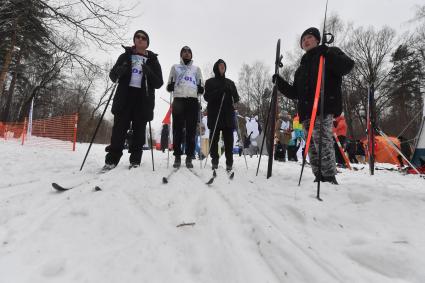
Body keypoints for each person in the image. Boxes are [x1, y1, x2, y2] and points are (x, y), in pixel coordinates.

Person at [273, 27, 354, 184]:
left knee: (322, 142)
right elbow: (294, 93)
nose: (306, 41)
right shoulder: (300, 69)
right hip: (306, 113)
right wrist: (280, 82)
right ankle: (319, 176)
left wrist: (328, 52)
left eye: (309, 37)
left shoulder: (327, 55)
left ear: (317, 39)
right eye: (303, 40)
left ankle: (329, 177)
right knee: (312, 147)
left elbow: (347, 66)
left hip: (323, 108)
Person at [104, 30, 163, 170]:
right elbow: (113, 76)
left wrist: (149, 72)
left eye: (143, 38)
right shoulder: (125, 56)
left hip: (143, 98)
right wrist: (119, 71)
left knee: (139, 131)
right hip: (125, 95)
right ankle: (111, 160)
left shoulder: (153, 60)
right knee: (119, 130)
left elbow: (159, 83)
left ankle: (135, 160)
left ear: (147, 43)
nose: (140, 39)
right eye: (138, 37)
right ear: (134, 40)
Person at [166, 46, 204, 168]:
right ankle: (177, 156)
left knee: (191, 130)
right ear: (181, 54)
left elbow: (200, 82)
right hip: (179, 99)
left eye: (189, 52)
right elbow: (169, 83)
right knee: (177, 129)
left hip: (192, 100)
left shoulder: (196, 69)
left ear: (191, 55)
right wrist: (170, 86)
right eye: (184, 51)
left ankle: (189, 157)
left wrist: (201, 88)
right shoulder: (175, 67)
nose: (187, 53)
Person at [204, 59, 240, 171]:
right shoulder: (210, 82)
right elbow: (207, 97)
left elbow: (237, 98)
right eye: (220, 65)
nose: (222, 66)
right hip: (215, 115)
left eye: (224, 65)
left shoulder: (230, 82)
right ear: (216, 67)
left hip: (228, 115)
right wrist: (220, 91)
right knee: (214, 140)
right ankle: (215, 160)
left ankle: (229, 161)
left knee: (229, 140)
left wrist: (232, 93)